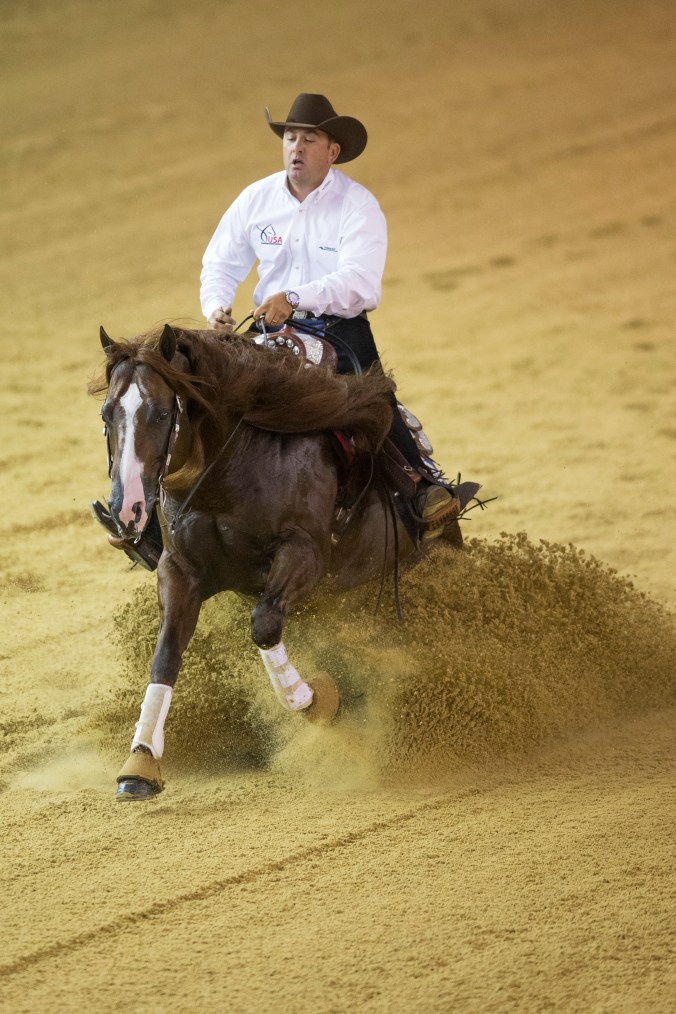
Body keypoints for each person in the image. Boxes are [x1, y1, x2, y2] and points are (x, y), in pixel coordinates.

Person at [201, 93, 461, 539]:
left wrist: (294, 295)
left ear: (332, 151)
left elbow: (360, 282)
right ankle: (167, 507)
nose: (295, 148)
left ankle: (420, 487)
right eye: (289, 138)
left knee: (374, 401)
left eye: (308, 139)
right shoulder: (254, 200)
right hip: (271, 329)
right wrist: (217, 307)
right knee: (204, 395)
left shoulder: (357, 205)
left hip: (339, 328)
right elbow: (220, 264)